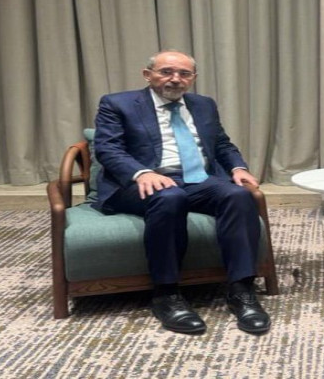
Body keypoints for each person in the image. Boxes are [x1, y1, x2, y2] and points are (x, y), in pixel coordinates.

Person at [93, 50, 270, 335]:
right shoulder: (117, 103)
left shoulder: (204, 105)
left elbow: (222, 144)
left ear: (193, 78)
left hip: (197, 179)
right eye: (166, 72)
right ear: (148, 74)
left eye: (184, 74)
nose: (175, 79)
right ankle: (166, 294)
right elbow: (108, 149)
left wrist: (238, 167)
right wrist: (142, 172)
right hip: (140, 182)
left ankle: (242, 290)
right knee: (170, 197)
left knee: (238, 195)